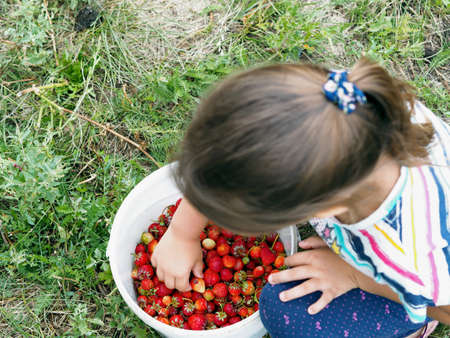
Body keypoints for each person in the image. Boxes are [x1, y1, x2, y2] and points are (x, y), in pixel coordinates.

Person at [150, 57, 450, 337]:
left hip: (420, 291)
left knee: (284, 311)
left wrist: (356, 275)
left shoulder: (415, 257)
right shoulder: (342, 114)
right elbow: (222, 156)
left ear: (326, 208)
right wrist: (181, 233)